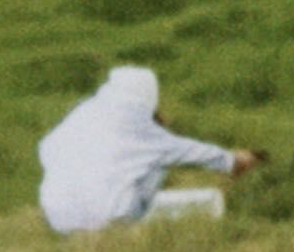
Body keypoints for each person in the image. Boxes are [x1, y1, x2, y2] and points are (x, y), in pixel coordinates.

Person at [37, 65, 266, 233]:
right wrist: (232, 160)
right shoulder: (135, 123)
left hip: (58, 218)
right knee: (155, 162)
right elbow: (181, 150)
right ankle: (132, 226)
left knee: (125, 164)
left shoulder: (83, 113)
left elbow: (46, 148)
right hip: (109, 218)